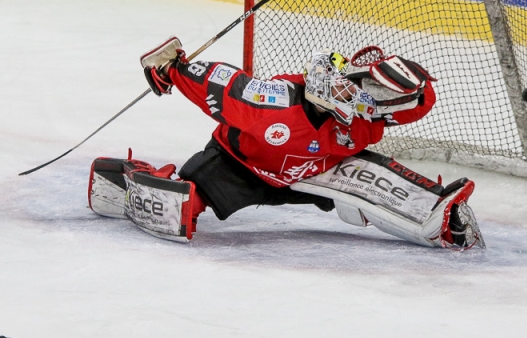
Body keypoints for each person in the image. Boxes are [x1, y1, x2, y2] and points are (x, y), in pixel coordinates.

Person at [88, 42, 484, 250]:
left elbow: (420, 99)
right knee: (182, 207)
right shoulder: (274, 103)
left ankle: (440, 219)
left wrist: (408, 79)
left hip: (318, 171)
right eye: (344, 79)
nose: (341, 82)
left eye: (358, 86)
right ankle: (130, 181)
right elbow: (221, 83)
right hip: (241, 167)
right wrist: (172, 70)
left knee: (373, 179)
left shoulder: (367, 119)